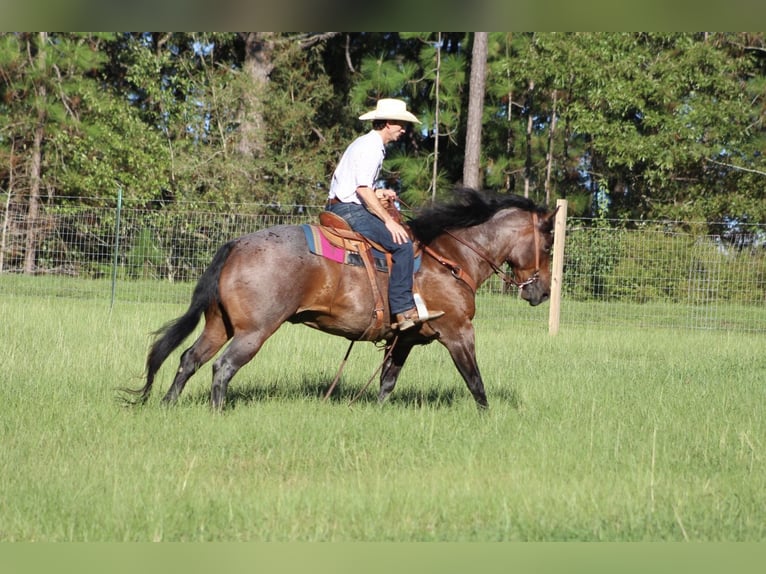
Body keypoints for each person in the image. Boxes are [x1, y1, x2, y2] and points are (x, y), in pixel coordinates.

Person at [326, 98, 443, 331]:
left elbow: (359, 186)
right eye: (401, 124)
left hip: (342, 204)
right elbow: (361, 190)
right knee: (403, 244)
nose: (403, 130)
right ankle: (403, 310)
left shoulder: (366, 144)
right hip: (349, 210)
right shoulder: (371, 148)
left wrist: (379, 192)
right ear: (389, 123)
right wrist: (389, 221)